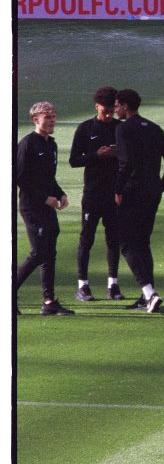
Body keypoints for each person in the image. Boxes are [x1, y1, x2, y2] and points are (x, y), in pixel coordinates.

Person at [114, 89, 164, 313]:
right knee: (143, 242)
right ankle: (146, 295)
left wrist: (117, 189)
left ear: (123, 106)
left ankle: (149, 294)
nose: (115, 109)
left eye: (117, 105)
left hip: (133, 192)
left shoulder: (123, 129)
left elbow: (127, 163)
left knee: (127, 244)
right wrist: (162, 185)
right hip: (153, 192)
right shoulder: (153, 128)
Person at [16, 102, 75, 316]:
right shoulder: (27, 144)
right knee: (39, 252)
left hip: (47, 206)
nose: (52, 120)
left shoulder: (52, 145)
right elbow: (20, 177)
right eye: (47, 117)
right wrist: (44, 198)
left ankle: (49, 302)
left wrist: (60, 194)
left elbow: (48, 178)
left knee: (49, 253)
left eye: (53, 116)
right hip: (32, 207)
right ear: (35, 120)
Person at [69, 86, 124, 303]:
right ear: (96, 106)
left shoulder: (120, 128)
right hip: (92, 192)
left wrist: (117, 152)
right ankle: (83, 286)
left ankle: (113, 285)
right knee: (87, 238)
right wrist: (96, 155)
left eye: (112, 110)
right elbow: (74, 160)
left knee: (114, 239)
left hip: (115, 193)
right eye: (105, 110)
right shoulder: (85, 128)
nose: (109, 114)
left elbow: (130, 157)